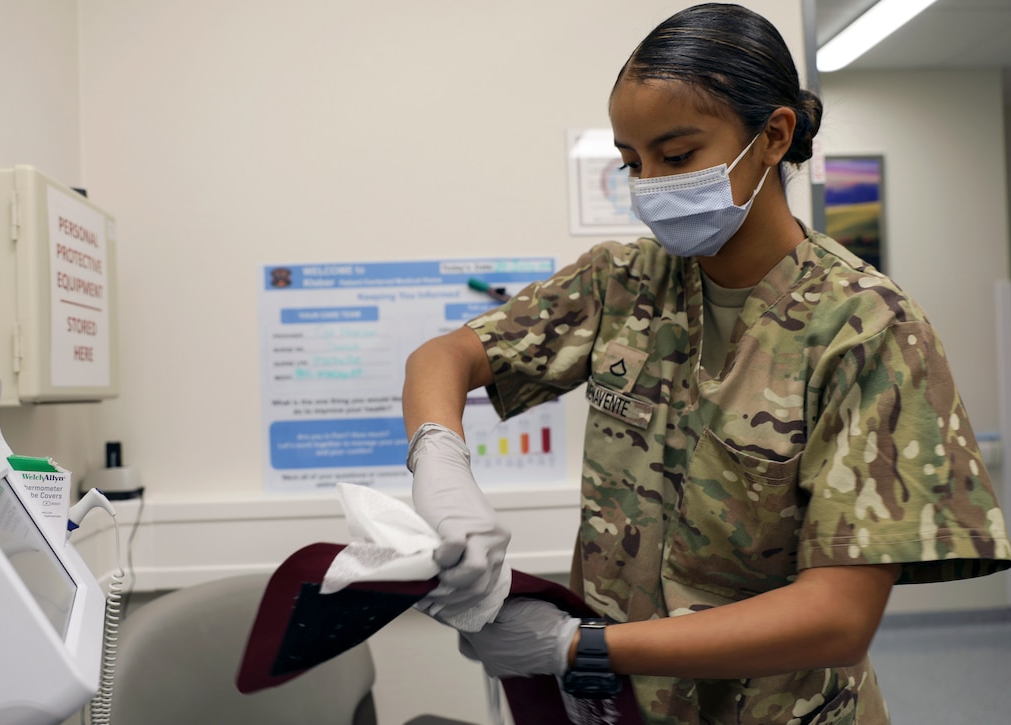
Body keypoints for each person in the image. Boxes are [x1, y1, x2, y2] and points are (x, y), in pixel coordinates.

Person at [401, 3, 1011, 723]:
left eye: (678, 155)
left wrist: (581, 646)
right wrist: (441, 466)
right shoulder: (625, 283)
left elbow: (838, 615)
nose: (650, 183)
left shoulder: (863, 326)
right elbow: (446, 355)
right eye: (633, 162)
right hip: (620, 706)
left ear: (773, 136)